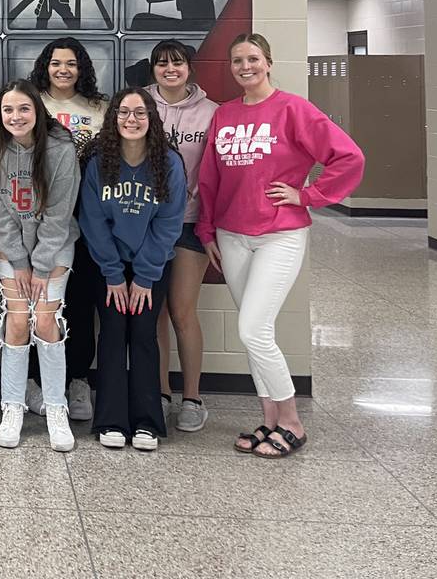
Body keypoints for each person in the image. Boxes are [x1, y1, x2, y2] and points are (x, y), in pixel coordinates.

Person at [198, 33, 364, 460]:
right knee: (257, 335)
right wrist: (207, 232)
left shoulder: (293, 109)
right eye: (237, 61)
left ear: (268, 63)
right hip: (232, 237)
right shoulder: (225, 115)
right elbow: (210, 179)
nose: (245, 66)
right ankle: (269, 421)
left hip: (279, 234)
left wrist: (306, 195)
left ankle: (291, 420)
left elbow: (350, 158)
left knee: (252, 328)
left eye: (253, 58)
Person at [79, 88, 185, 451]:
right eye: (124, 112)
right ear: (114, 119)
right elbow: (92, 221)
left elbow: (169, 223)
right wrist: (112, 274)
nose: (131, 120)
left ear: (151, 119)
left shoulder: (168, 163)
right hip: (108, 267)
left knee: (143, 335)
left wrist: (143, 276)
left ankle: (146, 422)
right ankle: (109, 420)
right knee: (111, 335)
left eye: (140, 113)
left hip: (149, 268)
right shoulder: (98, 163)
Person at [0, 82, 79, 452]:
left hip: (54, 250)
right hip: (11, 249)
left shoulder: (60, 149)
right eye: (8, 110)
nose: (15, 117)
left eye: (23, 109)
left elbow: (59, 213)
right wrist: (19, 261)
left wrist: (38, 267)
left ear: (37, 112)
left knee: (46, 321)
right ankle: (13, 407)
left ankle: (56, 408)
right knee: (19, 320)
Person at [29, 37, 109, 422]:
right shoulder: (33, 103)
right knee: (37, 300)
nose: (64, 70)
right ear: (46, 66)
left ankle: (77, 379)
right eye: (56, 63)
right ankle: (34, 380)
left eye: (72, 64)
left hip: (87, 215)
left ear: (83, 69)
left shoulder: (100, 108)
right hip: (39, 216)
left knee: (79, 302)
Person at [147, 39, 218, 433]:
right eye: (161, 64)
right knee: (154, 313)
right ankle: (160, 391)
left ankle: (192, 396)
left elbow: (219, 174)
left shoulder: (212, 114)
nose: (169, 69)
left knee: (182, 311)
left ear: (190, 68)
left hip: (190, 223)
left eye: (177, 63)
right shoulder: (139, 104)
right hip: (147, 224)